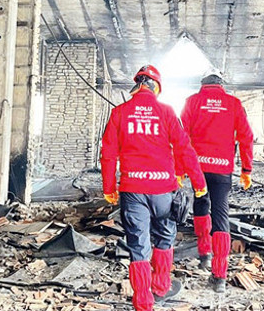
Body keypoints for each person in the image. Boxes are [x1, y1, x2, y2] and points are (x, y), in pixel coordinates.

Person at [101, 65, 208, 311]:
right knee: (164, 238)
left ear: (136, 85)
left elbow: (108, 153)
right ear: (156, 87)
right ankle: (160, 287)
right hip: (164, 190)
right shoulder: (166, 111)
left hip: (133, 190)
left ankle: (143, 303)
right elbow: (184, 148)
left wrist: (109, 187)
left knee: (138, 246)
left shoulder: (120, 112)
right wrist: (198, 182)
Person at [179, 69, 254, 293]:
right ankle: (219, 277)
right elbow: (246, 136)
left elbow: (182, 135)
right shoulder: (233, 103)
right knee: (220, 214)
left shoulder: (192, 101)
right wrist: (246, 169)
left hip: (198, 168)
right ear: (221, 83)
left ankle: (204, 255)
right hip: (222, 169)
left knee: (201, 205)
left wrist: (181, 167)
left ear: (202, 83)